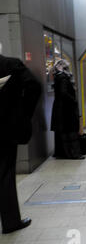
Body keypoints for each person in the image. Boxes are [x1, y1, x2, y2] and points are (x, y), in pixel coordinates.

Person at [0, 51, 41, 234]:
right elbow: (34, 86)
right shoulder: (11, 64)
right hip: (6, 129)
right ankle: (10, 221)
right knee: (5, 174)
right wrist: (23, 113)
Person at [51, 60, 84, 160]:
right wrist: (73, 101)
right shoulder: (64, 78)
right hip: (67, 109)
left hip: (59, 108)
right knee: (71, 130)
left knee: (62, 131)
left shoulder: (57, 77)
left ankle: (62, 153)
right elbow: (64, 93)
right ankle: (73, 153)